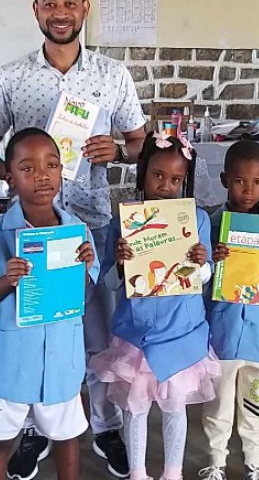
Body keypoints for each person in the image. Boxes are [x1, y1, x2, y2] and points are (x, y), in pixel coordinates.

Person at [0, 0, 145, 478]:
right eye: (49, 3)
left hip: (86, 226)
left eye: (69, 2)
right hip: (25, 228)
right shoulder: (11, 76)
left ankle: (102, 426)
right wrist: (16, 176)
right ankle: (31, 428)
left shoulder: (112, 75)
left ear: (84, 9)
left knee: (92, 334)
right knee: (31, 324)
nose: (60, 12)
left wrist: (118, 148)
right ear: (36, 10)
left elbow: (139, 144)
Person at [90, 132, 221, 480]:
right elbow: (110, 283)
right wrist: (120, 263)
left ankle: (172, 473)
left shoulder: (198, 220)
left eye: (176, 179)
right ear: (142, 172)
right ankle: (137, 473)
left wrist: (201, 262)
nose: (165, 185)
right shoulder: (124, 221)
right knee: (136, 408)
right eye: (158, 175)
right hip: (138, 334)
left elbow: (205, 278)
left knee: (175, 406)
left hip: (181, 331)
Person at [0, 128, 99, 480]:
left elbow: (85, 291)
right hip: (12, 362)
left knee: (66, 438)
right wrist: (6, 281)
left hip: (61, 360)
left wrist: (86, 266)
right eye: (27, 168)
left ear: (62, 170)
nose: (41, 175)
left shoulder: (77, 231)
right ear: (9, 176)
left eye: (51, 165)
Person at [198, 140, 259, 480]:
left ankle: (255, 463)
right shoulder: (208, 226)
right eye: (240, 180)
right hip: (221, 331)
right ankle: (216, 461)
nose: (248, 189)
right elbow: (197, 279)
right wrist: (211, 258)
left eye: (257, 181)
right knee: (218, 402)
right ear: (225, 179)